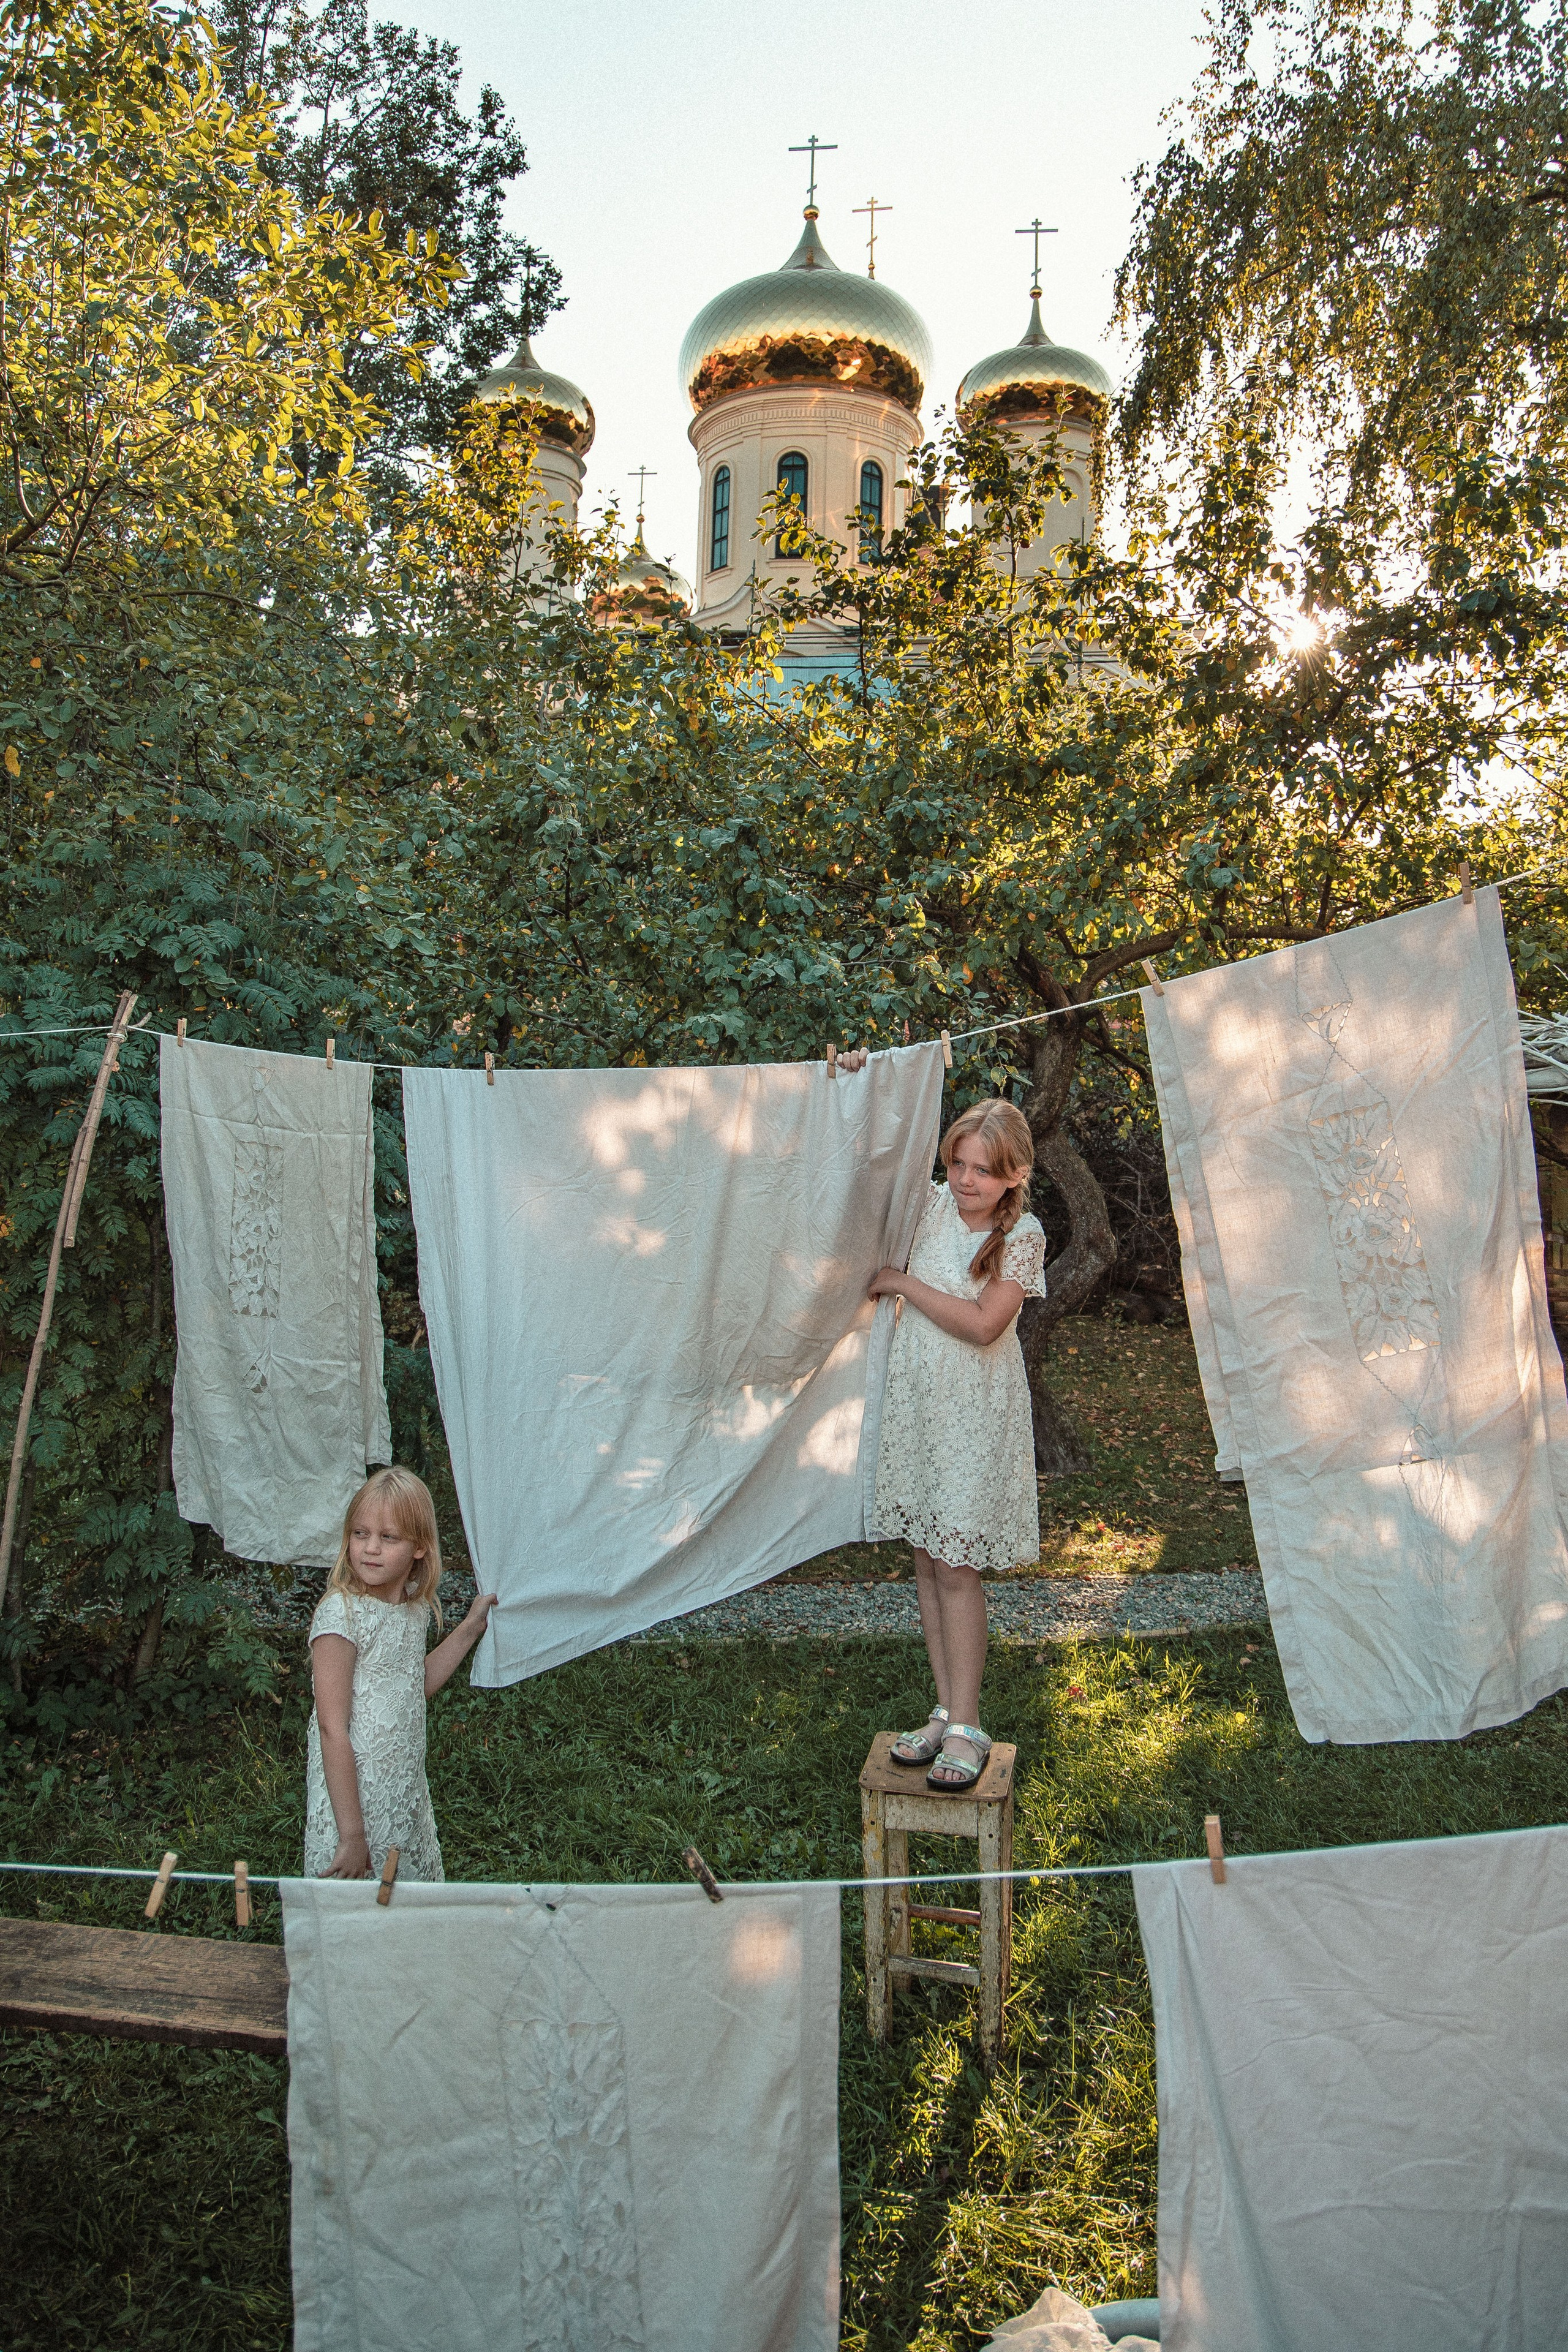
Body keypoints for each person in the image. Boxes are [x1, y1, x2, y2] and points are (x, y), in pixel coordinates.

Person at [868, 1100, 1047, 1789]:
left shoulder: (1021, 1234)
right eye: (956, 1163)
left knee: (957, 1566)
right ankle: (943, 1711)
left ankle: (969, 1726)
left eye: (983, 1169)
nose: (965, 1180)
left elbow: (981, 1325)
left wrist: (903, 1284)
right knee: (925, 1559)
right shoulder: (931, 1207)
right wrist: (863, 1078)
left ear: (1015, 1175)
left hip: (973, 1413)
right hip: (920, 1405)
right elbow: (877, 1148)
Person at [303, 1464, 497, 1880]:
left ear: (420, 1547)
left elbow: (412, 1685)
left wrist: (470, 1629)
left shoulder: (412, 1611)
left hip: (401, 1790)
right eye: (360, 1534)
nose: (370, 1548)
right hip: (353, 1797)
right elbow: (331, 1729)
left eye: (388, 1537)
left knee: (404, 1903)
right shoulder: (342, 1615)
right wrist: (353, 1835)